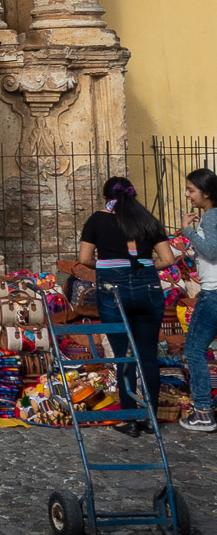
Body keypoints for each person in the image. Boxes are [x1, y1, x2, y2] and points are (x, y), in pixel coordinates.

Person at [79, 175, 175, 433]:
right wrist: (143, 269)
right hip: (148, 288)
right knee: (148, 355)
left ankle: (130, 419)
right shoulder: (147, 219)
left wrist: (112, 266)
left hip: (113, 289)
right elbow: (167, 260)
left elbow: (85, 259)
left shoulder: (97, 220)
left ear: (106, 197)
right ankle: (151, 419)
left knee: (124, 355)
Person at [178, 168, 217, 432]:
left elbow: (212, 251)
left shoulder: (211, 217)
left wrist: (187, 230)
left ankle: (203, 411)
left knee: (194, 350)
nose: (188, 194)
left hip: (213, 293)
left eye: (192, 190)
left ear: (206, 192)